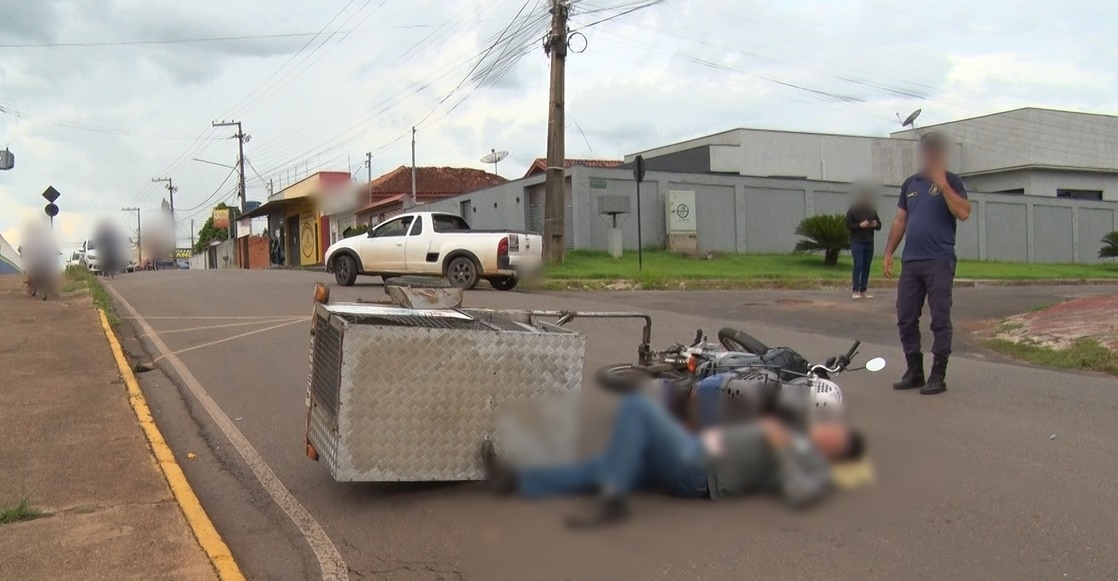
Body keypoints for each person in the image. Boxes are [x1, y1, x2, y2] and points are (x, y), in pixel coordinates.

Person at [481, 393, 865, 529]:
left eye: (835, 434)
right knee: (601, 467)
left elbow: (798, 492)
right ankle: (515, 480)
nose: (826, 428)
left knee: (636, 408)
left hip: (697, 472)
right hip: (692, 450)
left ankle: (613, 494)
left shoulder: (814, 468)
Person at [883, 131, 971, 395]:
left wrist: (943, 185)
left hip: (939, 260)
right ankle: (915, 370)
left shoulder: (953, 181)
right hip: (912, 261)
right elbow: (900, 220)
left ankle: (938, 374)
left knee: (940, 320)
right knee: (906, 317)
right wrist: (889, 252)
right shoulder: (910, 184)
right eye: (927, 150)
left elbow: (964, 212)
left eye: (935, 151)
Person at [845, 190, 881, 300]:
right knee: (858, 265)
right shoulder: (853, 210)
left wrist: (875, 224)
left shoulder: (872, 211)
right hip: (857, 242)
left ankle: (863, 290)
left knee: (867, 266)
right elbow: (848, 225)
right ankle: (855, 289)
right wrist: (860, 225)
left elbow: (879, 225)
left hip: (869, 242)